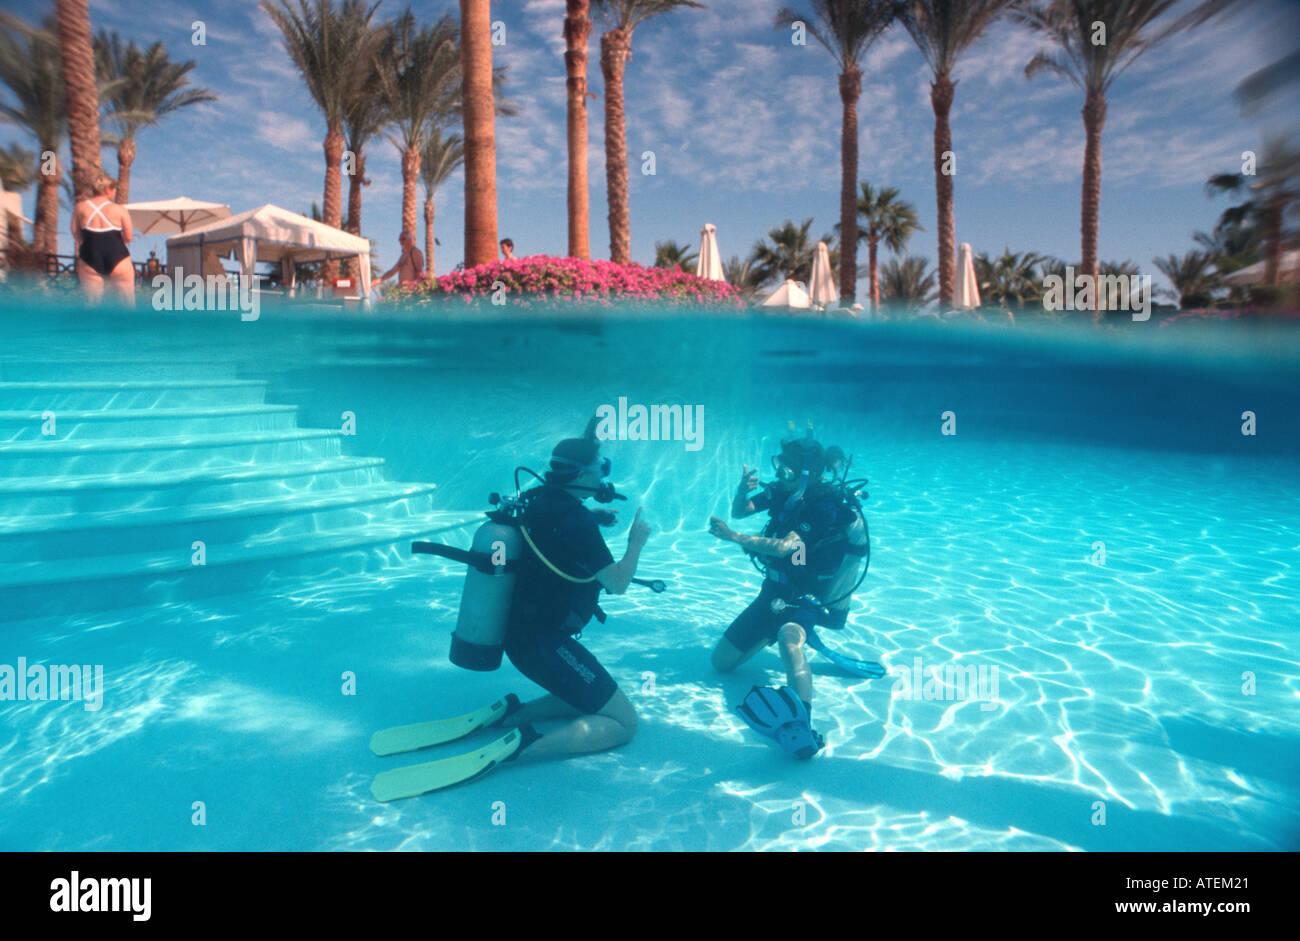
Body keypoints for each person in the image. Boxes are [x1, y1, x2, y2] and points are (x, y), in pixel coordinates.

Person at [708, 430, 871, 758]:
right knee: (721, 663)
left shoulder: (821, 507)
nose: (779, 473)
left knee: (789, 639)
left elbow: (785, 547)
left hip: (807, 595)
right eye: (778, 466)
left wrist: (732, 537)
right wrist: (743, 490)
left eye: (786, 469)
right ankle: (771, 631)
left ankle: (802, 724)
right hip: (773, 591)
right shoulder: (783, 493)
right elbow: (742, 510)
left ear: (806, 472)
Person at [72, 172, 134, 306]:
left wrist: (90, 243)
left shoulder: (80, 207)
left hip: (90, 255)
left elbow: (76, 234)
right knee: (127, 303)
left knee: (92, 305)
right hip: (118, 256)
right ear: (107, 190)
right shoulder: (119, 209)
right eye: (114, 190)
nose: (114, 193)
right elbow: (129, 237)